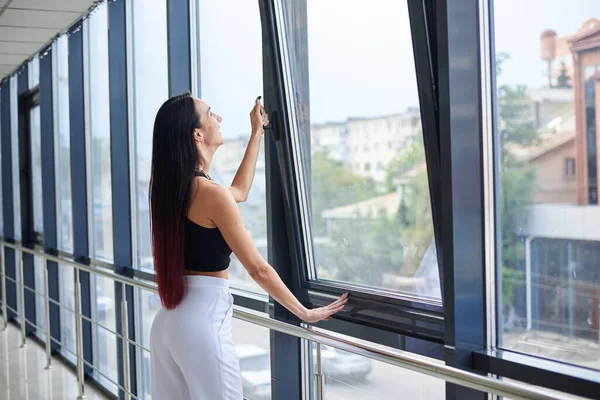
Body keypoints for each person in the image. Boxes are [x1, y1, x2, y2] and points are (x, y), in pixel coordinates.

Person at [149, 92, 348, 400]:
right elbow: (258, 269)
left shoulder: (175, 189)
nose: (219, 118)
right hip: (201, 324)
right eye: (210, 113)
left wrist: (257, 133)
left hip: (168, 323)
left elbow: (238, 192)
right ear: (197, 134)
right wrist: (303, 312)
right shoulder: (209, 192)